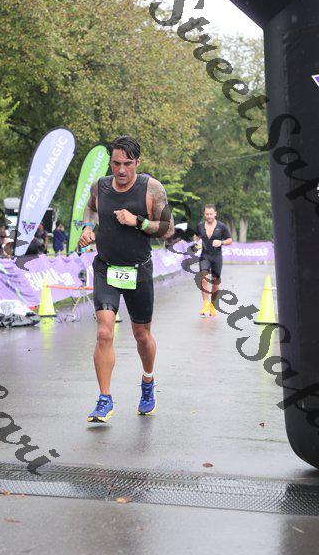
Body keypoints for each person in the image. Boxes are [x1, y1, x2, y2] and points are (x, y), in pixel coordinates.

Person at [79, 135, 174, 423]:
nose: (121, 170)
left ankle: (148, 381)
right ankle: (104, 398)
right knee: (104, 332)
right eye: (116, 163)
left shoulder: (152, 188)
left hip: (138, 270)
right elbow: (90, 209)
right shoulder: (100, 186)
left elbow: (168, 229)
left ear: (137, 162)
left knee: (142, 336)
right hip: (106, 269)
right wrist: (87, 228)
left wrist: (139, 221)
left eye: (127, 164)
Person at [193, 204, 232, 317]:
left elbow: (230, 240)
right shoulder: (200, 225)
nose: (209, 216)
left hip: (217, 257)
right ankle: (205, 304)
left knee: (215, 282)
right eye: (207, 214)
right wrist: (196, 242)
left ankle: (212, 306)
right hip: (205, 256)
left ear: (215, 214)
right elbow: (196, 236)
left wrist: (221, 242)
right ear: (204, 214)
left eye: (211, 214)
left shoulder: (222, 226)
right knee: (204, 279)